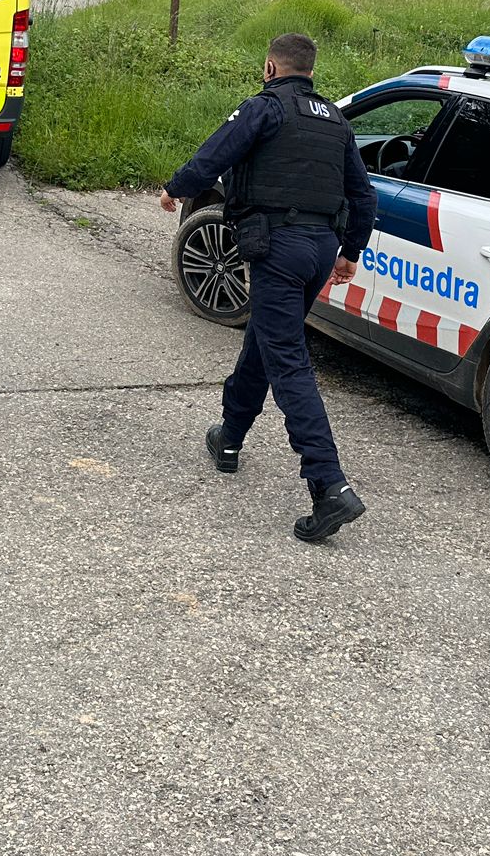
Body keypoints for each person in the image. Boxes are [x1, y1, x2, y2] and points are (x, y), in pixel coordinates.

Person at [159, 32, 378, 542]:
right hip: (321, 248)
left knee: (288, 359)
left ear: (269, 67)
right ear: (311, 70)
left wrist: (176, 188)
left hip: (279, 247)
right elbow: (362, 195)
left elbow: (216, 152)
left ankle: (329, 486)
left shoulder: (266, 108)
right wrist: (350, 253)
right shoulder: (336, 121)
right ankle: (229, 438)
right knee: (264, 338)